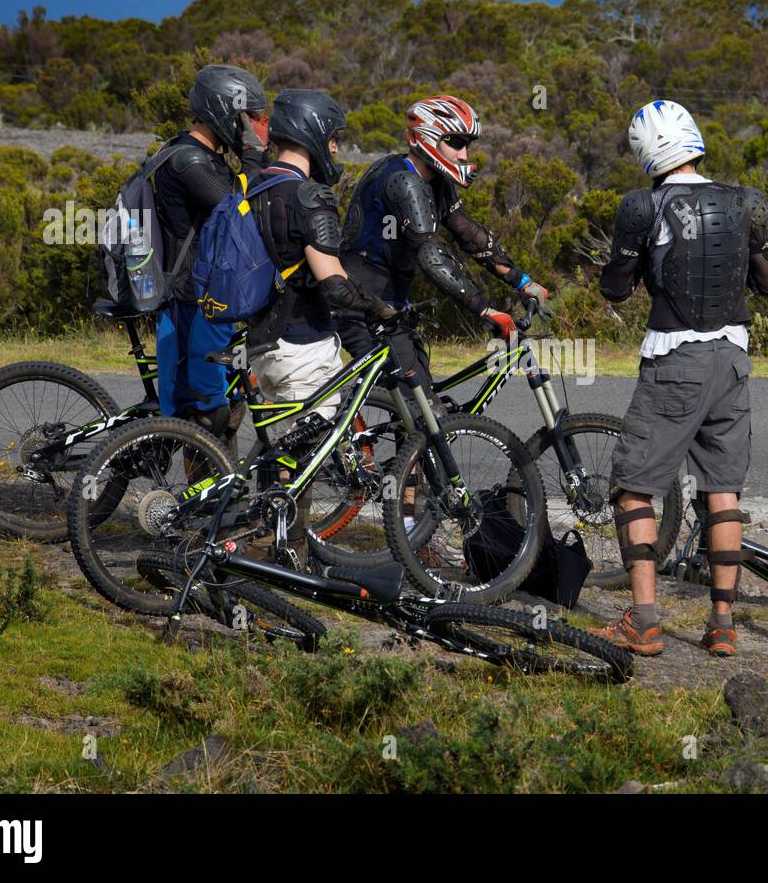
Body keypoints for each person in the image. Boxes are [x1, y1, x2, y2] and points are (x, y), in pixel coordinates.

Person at [595, 99, 768, 658]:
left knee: (633, 485)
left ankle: (645, 621)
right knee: (722, 491)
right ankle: (722, 626)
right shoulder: (748, 202)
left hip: (674, 356)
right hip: (734, 357)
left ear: (646, 151)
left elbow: (614, 288)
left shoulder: (641, 205)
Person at [243, 89, 395, 566]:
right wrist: (383, 310)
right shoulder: (308, 196)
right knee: (306, 457)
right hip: (302, 342)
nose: (335, 150)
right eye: (332, 140)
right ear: (311, 135)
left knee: (282, 452)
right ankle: (288, 557)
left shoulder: (253, 187)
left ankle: (264, 544)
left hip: (259, 344)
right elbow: (334, 284)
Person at [335, 94, 549, 401]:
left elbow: (469, 234)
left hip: (390, 308)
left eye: (467, 145)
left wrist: (522, 281)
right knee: (424, 412)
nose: (463, 154)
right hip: (361, 308)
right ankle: (355, 443)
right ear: (425, 138)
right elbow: (432, 256)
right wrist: (486, 310)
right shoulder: (403, 180)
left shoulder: (434, 180)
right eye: (455, 142)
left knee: (423, 411)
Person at [153, 64, 270, 449]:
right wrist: (253, 160)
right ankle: (196, 507)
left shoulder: (208, 157)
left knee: (229, 405)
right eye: (248, 118)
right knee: (202, 414)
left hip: (209, 295)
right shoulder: (188, 160)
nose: (252, 128)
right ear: (223, 112)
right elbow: (235, 208)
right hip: (188, 299)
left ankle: (222, 499)